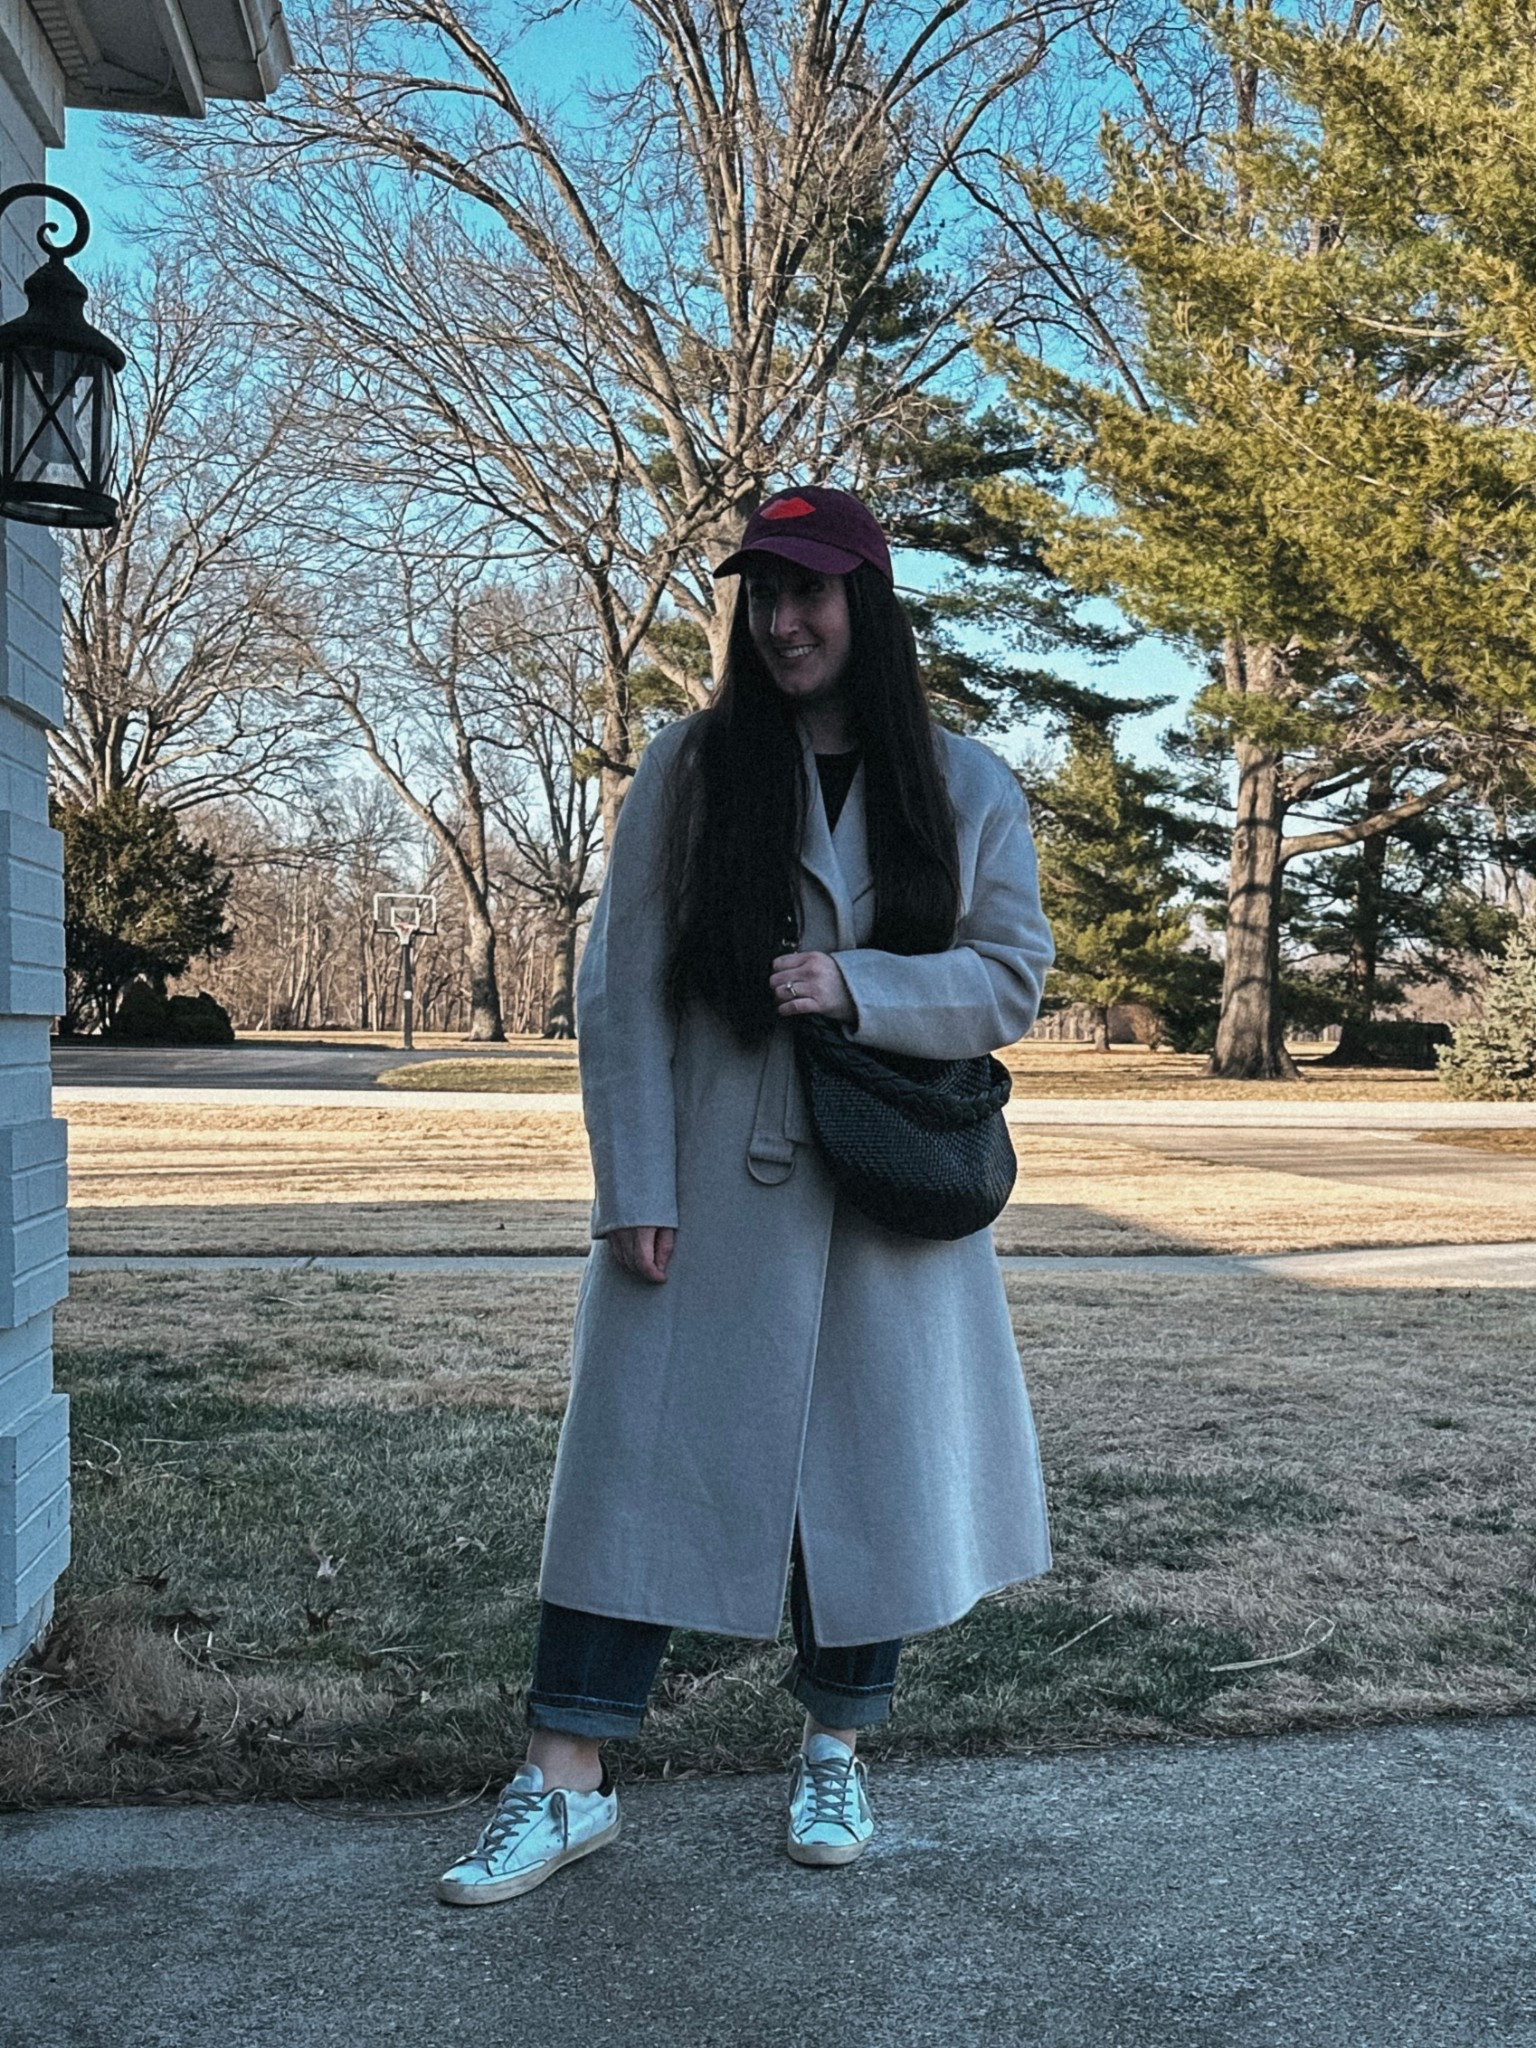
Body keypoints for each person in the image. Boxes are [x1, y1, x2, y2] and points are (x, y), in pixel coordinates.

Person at [437, 485, 1055, 1906]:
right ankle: (563, 1779)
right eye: (762, 595)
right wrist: (632, 1186)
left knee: (869, 1486)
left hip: (886, 1194)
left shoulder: (963, 784)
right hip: (709, 1187)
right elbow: (620, 992)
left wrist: (864, 985)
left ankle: (836, 1745)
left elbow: (1009, 980)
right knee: (630, 1477)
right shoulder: (693, 767)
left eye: (811, 593)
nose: (782, 622)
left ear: (869, 606)